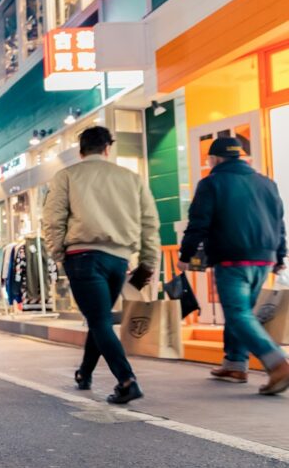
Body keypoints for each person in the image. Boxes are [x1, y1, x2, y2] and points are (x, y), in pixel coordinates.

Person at [42, 126, 160, 404]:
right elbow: (150, 223)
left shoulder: (67, 176)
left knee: (98, 320)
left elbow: (53, 219)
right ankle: (84, 374)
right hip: (119, 259)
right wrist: (148, 262)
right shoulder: (131, 178)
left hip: (82, 256)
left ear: (80, 151)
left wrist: (59, 253)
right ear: (108, 149)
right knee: (100, 318)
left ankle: (127, 380)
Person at [177, 137, 289, 395]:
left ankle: (277, 362)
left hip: (232, 258)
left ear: (215, 159)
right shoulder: (267, 183)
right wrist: (280, 257)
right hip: (264, 258)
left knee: (238, 313)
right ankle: (235, 364)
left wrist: (186, 255)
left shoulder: (212, 183)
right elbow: (279, 224)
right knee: (242, 312)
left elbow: (198, 223)